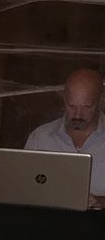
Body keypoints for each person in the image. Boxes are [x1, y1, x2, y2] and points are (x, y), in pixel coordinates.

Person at [25, 67, 105, 208]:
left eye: (87, 107)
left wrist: (100, 202)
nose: (78, 115)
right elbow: (22, 187)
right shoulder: (41, 137)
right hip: (49, 222)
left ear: (101, 100)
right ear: (64, 98)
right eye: (71, 106)